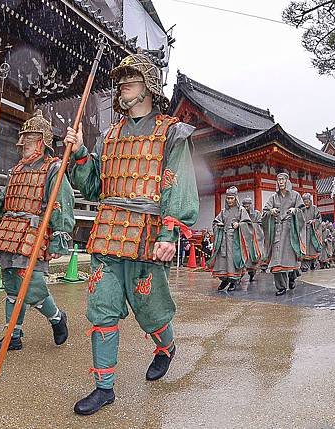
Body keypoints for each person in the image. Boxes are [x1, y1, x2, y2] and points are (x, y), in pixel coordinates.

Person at [64, 53, 199, 415]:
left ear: (150, 86)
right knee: (101, 310)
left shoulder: (172, 133)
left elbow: (178, 184)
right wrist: (79, 155)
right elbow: (93, 186)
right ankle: (104, 387)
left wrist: (169, 233)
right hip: (108, 233)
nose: (123, 84)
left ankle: (166, 347)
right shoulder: (108, 137)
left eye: (131, 78)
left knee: (151, 312)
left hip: (147, 234)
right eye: (121, 80)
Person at [0, 110, 74, 352]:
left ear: (41, 142)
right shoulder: (18, 169)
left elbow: (62, 202)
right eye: (23, 141)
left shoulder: (54, 169)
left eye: (28, 141)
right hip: (10, 232)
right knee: (11, 284)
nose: (23, 146)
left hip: (33, 234)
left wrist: (59, 239)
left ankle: (56, 318)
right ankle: (13, 335)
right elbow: (8, 205)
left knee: (30, 284)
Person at [262, 172, 306, 296]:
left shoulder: (295, 195)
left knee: (290, 261)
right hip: (277, 231)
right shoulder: (273, 197)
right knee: (276, 263)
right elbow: (264, 213)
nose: (280, 182)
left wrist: (295, 210)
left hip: (290, 232)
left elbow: (302, 211)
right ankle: (281, 287)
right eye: (278, 180)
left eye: (283, 179)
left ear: (287, 181)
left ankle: (292, 277)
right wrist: (271, 211)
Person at [208, 188, 256, 291]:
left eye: (231, 198)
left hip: (235, 241)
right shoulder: (223, 211)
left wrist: (239, 224)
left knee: (233, 260)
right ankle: (224, 279)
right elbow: (215, 222)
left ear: (235, 198)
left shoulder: (241, 210)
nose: (229, 200)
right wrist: (218, 225)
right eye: (228, 198)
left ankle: (233, 281)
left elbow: (248, 224)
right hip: (224, 241)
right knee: (223, 260)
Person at [241, 196, 264, 282]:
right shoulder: (241, 213)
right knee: (244, 257)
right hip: (245, 239)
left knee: (254, 257)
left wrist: (252, 226)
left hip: (255, 239)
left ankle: (252, 275)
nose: (246, 208)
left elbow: (261, 224)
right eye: (245, 206)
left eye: (248, 206)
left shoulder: (257, 214)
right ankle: (239, 276)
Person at [300, 193, 322, 272]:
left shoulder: (314, 208)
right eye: (304, 201)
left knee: (312, 248)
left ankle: (314, 263)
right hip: (304, 232)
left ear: (310, 201)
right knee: (304, 249)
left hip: (312, 231)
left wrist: (313, 221)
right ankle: (304, 266)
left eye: (307, 201)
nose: (306, 203)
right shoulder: (302, 209)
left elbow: (319, 219)